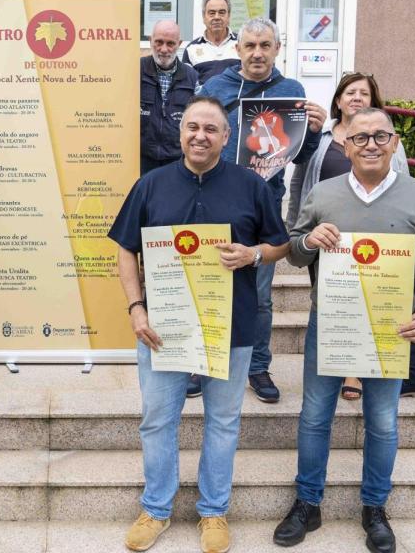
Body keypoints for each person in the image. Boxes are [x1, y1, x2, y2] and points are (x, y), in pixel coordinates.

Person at [109, 96, 290, 553]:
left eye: (211, 129)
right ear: (180, 132)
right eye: (192, 127)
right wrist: (136, 307)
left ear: (227, 137)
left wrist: (253, 254)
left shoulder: (251, 185)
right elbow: (125, 249)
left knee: (223, 421)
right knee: (157, 420)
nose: (200, 136)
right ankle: (155, 508)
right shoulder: (150, 185)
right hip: (163, 326)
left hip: (231, 324)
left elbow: (280, 244)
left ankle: (214, 512)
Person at [275, 107, 415, 553]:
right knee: (315, 417)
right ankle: (307, 502)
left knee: (383, 422)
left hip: (390, 327)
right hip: (331, 321)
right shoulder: (323, 193)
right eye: (360, 138)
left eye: (380, 136)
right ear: (345, 145)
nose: (371, 144)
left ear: (395, 143)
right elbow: (294, 251)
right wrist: (307, 242)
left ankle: (374, 507)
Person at [197, 17, 327, 403]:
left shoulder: (291, 90)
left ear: (277, 49)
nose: (257, 53)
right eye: (250, 46)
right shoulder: (214, 88)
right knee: (206, 285)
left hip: (263, 204)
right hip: (213, 203)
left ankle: (257, 366)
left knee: (261, 295)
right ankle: (201, 361)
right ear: (237, 49)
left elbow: (301, 154)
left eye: (265, 45)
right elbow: (195, 139)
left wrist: (314, 131)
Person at [286, 72, 412, 402]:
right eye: (350, 93)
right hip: (326, 236)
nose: (356, 98)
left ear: (374, 102)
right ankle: (336, 355)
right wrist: (297, 225)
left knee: (370, 296)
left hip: (377, 236)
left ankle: (356, 368)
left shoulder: (387, 140)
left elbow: (405, 185)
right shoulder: (322, 137)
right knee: (329, 297)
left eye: (364, 94)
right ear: (338, 101)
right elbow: (300, 181)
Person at [140, 20, 198, 174]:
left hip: (177, 161)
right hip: (140, 159)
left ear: (179, 44)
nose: (164, 49)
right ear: (150, 41)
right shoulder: (135, 71)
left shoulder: (192, 78)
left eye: (170, 43)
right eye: (159, 42)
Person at [183, 0, 240, 84]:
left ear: (228, 16)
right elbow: (187, 83)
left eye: (222, 12)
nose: (217, 17)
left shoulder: (242, 43)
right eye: (212, 13)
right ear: (204, 17)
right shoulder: (191, 48)